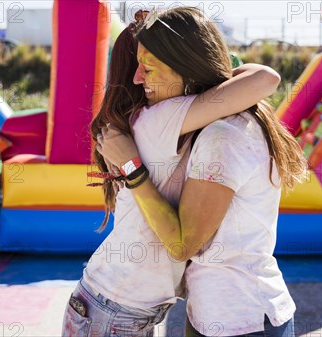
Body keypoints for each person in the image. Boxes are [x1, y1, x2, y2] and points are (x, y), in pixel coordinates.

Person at [62, 8, 282, 337]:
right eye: (139, 66)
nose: (139, 76)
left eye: (148, 66)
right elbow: (266, 79)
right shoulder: (157, 119)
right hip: (113, 309)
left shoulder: (153, 122)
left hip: (113, 304)